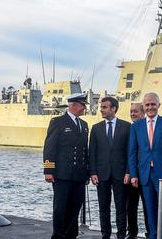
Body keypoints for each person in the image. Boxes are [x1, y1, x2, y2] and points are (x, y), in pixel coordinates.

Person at [128, 92, 162, 239]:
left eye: (153, 104)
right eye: (147, 104)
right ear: (144, 107)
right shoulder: (136, 126)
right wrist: (133, 175)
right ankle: (154, 236)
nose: (150, 107)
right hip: (145, 175)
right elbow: (132, 152)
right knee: (150, 209)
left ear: (158, 105)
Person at [43, 93, 90, 239]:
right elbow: (50, 147)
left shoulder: (84, 125)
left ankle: (71, 236)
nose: (84, 108)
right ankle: (58, 236)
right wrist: (48, 170)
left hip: (79, 175)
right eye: (83, 105)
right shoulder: (58, 122)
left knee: (75, 208)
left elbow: (84, 150)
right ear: (74, 105)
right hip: (62, 175)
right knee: (60, 208)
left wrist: (87, 172)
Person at [89, 96, 131, 239]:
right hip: (101, 174)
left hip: (120, 174)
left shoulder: (126, 126)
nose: (102, 110)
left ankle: (121, 235)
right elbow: (92, 152)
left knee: (121, 207)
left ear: (113, 108)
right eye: (101, 107)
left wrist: (128, 172)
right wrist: (93, 172)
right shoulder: (96, 128)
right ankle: (105, 234)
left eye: (105, 107)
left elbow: (129, 152)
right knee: (103, 207)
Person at [126, 103, 149, 239]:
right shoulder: (128, 128)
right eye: (131, 111)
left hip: (146, 174)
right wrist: (128, 172)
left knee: (148, 206)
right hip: (131, 174)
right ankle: (132, 232)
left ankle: (150, 232)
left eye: (136, 111)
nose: (133, 114)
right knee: (131, 207)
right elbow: (127, 153)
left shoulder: (149, 128)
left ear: (143, 113)